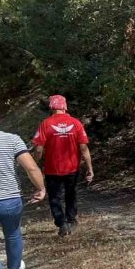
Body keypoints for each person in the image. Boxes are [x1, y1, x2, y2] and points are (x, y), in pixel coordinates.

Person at [0, 106, 46, 269]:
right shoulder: (12, 139)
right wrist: (41, 188)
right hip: (10, 199)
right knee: (13, 234)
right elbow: (31, 167)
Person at [32, 95, 93, 236]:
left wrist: (36, 164)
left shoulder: (45, 124)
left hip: (52, 169)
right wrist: (90, 168)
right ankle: (71, 220)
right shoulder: (76, 123)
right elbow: (83, 148)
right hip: (72, 168)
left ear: (51, 107)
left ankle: (61, 223)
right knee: (71, 194)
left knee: (55, 197)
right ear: (65, 107)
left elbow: (39, 148)